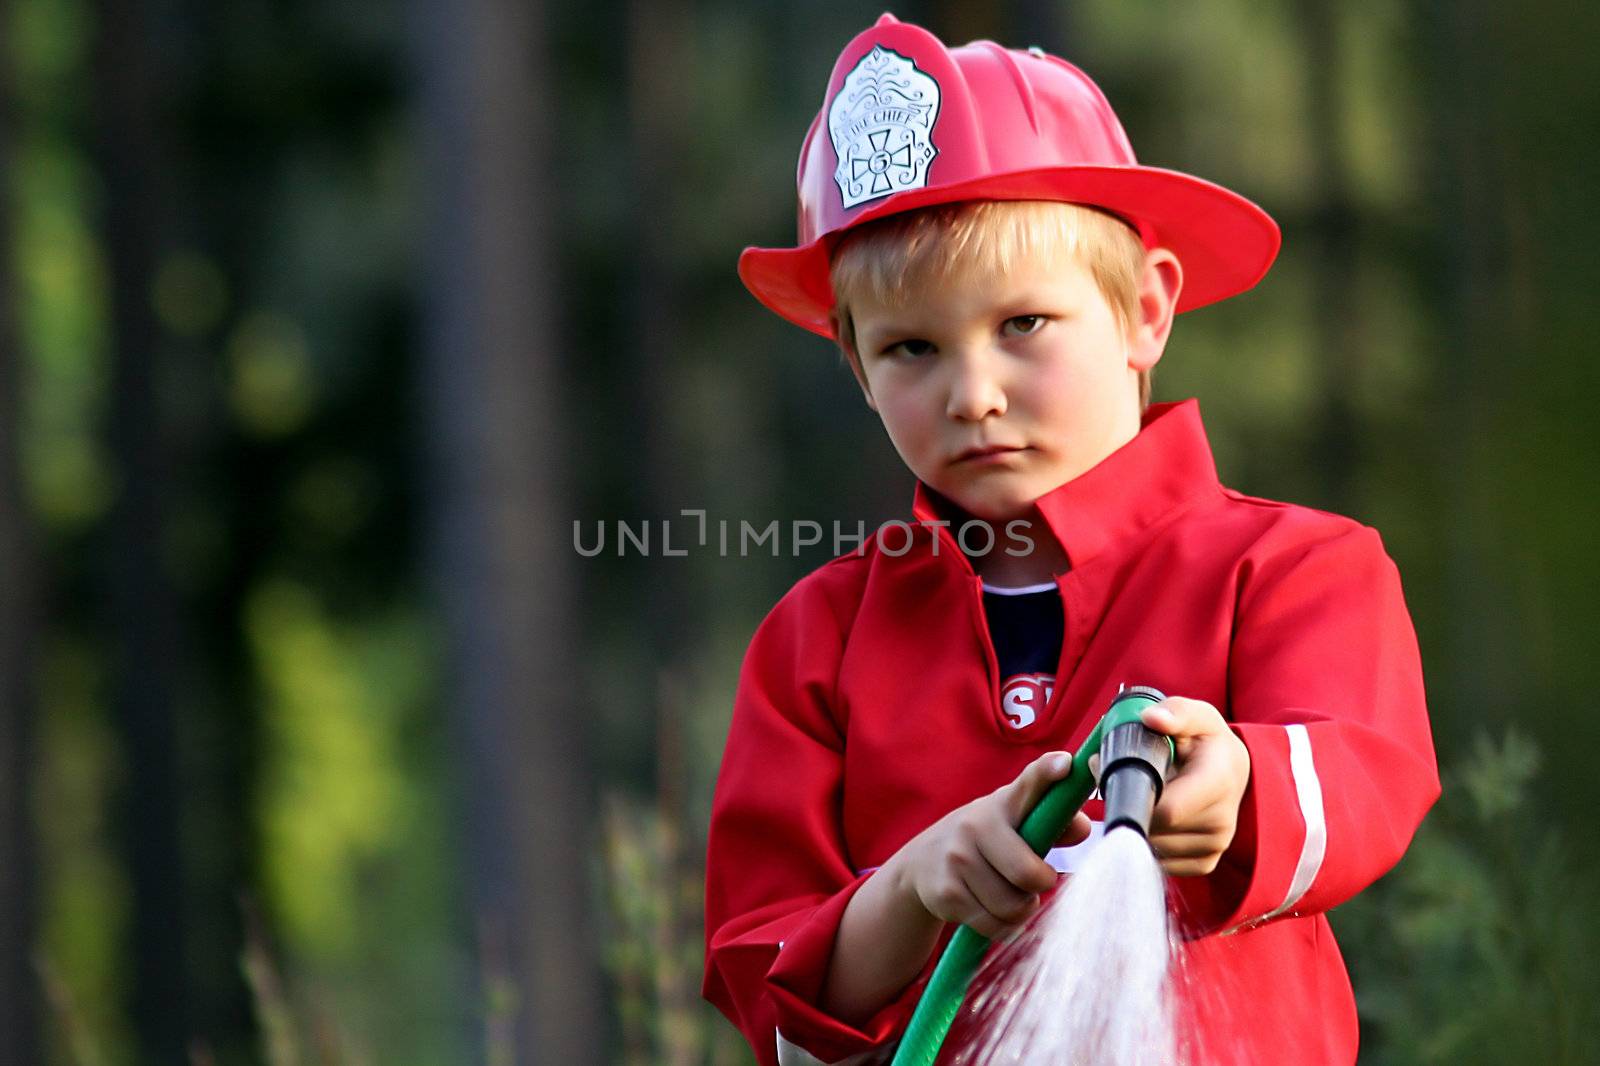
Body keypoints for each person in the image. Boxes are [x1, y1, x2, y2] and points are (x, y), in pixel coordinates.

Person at [702, 14, 1439, 1066]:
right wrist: (911, 887)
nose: (973, 394)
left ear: (1144, 312)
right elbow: (765, 979)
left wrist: (1239, 780)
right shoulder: (812, 640)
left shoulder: (1292, 570)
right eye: (910, 348)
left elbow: (1366, 776)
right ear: (857, 371)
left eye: (1022, 327)